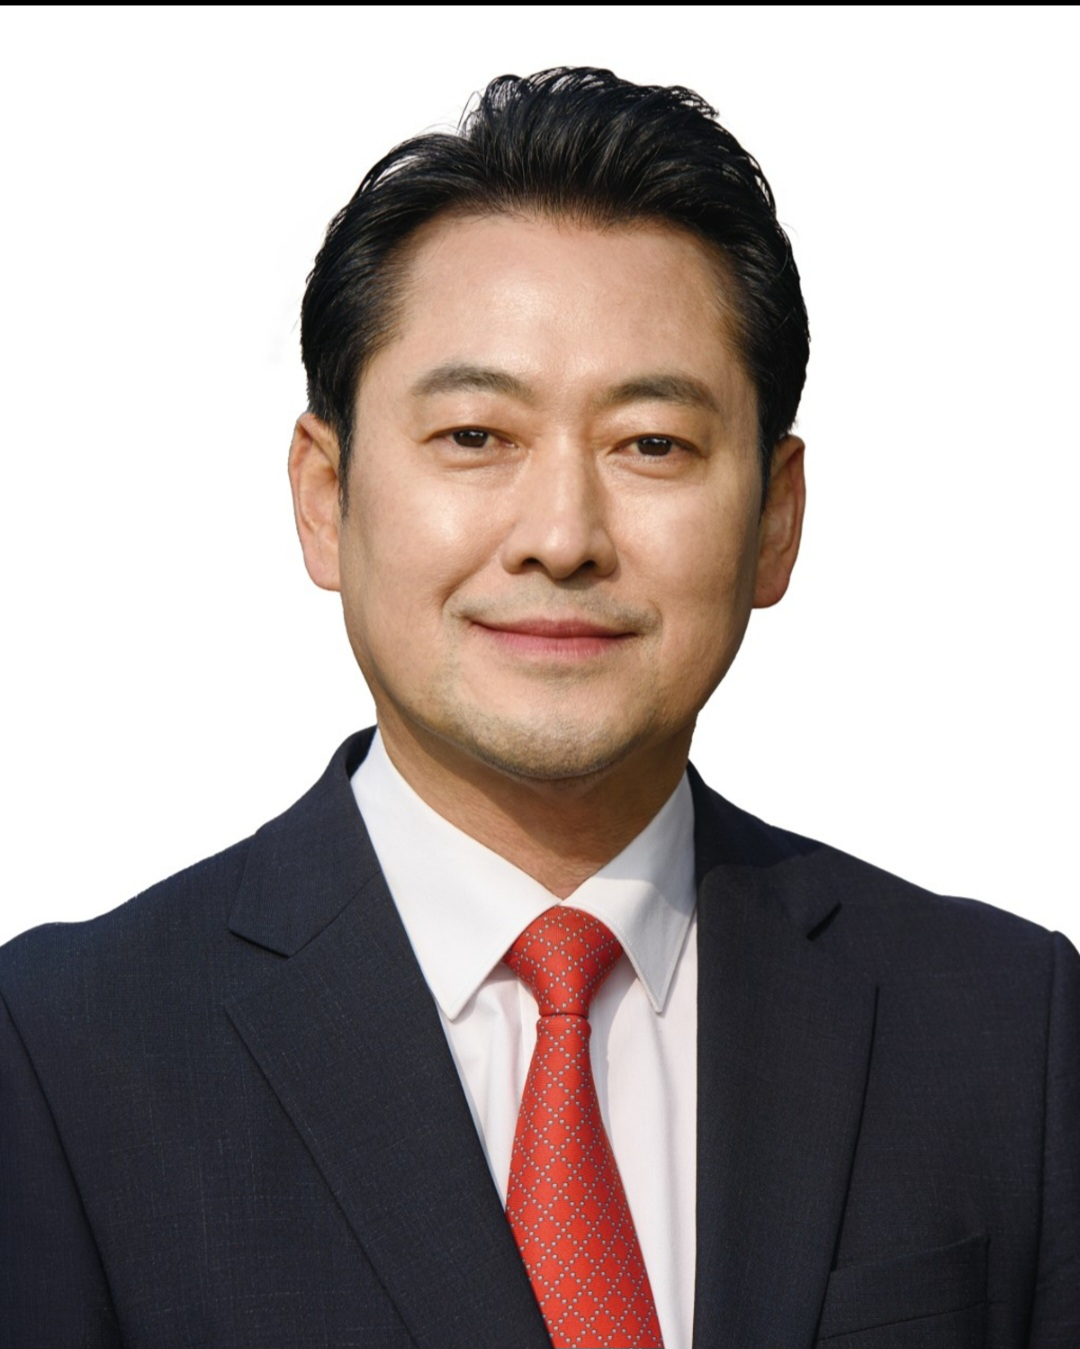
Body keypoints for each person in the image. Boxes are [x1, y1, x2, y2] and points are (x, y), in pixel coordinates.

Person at [0, 65, 1076, 1349]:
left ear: (776, 518)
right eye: (475, 436)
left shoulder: (1007, 1029)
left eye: (652, 444)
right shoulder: (62, 1053)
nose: (562, 535)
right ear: (324, 495)